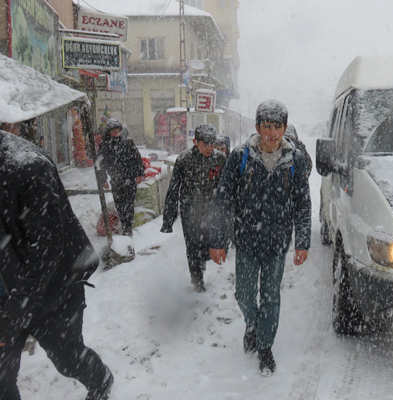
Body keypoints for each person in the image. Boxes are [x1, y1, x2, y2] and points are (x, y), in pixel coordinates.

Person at [0, 130, 113, 400]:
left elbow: (46, 248)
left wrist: (17, 311)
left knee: (68, 360)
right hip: (6, 290)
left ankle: (101, 380)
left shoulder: (28, 167)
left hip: (52, 290)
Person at [209, 100, 311, 376]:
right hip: (245, 239)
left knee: (270, 297)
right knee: (244, 293)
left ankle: (265, 347)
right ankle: (252, 324)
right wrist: (218, 240)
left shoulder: (295, 159)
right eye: (267, 126)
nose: (273, 132)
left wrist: (302, 241)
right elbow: (223, 199)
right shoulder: (240, 156)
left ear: (284, 128)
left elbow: (303, 203)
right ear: (257, 127)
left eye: (277, 126)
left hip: (277, 243)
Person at [161, 124, 227, 292]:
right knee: (192, 248)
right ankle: (197, 281)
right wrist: (168, 219)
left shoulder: (219, 159)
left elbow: (226, 185)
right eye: (205, 145)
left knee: (205, 248)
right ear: (195, 142)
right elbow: (174, 189)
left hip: (210, 213)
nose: (210, 148)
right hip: (189, 212)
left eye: (212, 144)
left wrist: (218, 193)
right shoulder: (184, 159)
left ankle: (201, 267)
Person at [97, 119, 145, 237]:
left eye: (118, 130)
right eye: (114, 131)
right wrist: (103, 179)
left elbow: (137, 159)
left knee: (128, 204)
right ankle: (124, 224)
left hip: (130, 178)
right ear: (108, 132)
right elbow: (100, 164)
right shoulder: (105, 146)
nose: (117, 133)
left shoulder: (128, 143)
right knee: (119, 203)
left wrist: (139, 174)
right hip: (116, 180)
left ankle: (128, 227)